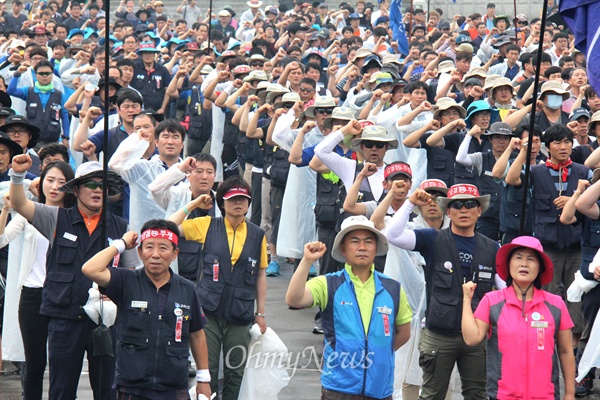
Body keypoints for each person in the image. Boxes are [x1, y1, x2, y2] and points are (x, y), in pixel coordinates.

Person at [8, 157, 140, 400]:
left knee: (107, 390)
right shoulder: (56, 218)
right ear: (76, 189)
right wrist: (17, 175)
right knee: (61, 390)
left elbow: (132, 273)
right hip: (64, 318)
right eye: (90, 185)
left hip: (105, 320)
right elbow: (19, 203)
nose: (97, 190)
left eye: (102, 185)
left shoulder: (120, 226)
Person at [385, 184, 502, 400]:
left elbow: (504, 293)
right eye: (457, 205)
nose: (464, 210)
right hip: (439, 335)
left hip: (476, 337)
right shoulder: (432, 238)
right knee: (432, 395)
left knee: (477, 395)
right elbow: (392, 235)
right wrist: (410, 203)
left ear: (479, 211)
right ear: (448, 212)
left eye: (470, 204)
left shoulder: (492, 247)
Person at [81, 219, 212, 399]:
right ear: (140, 252)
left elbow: (197, 334)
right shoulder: (125, 281)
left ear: (175, 254)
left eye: (163, 248)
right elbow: (90, 269)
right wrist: (121, 244)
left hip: (173, 386)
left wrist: (203, 379)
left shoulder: (187, 289)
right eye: (149, 247)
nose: (155, 255)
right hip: (132, 385)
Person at [285, 215, 412, 399]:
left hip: (380, 388)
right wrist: (307, 261)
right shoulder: (328, 284)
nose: (362, 247)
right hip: (339, 388)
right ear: (343, 248)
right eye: (354, 241)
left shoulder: (393, 288)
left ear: (376, 248)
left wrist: (377, 353)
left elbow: (404, 333)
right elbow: (294, 299)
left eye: (368, 241)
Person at [169, 175, 267, 399]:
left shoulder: (257, 234)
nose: (238, 203)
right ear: (222, 202)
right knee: (207, 371)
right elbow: (169, 226)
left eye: (243, 199)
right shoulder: (206, 225)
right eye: (232, 199)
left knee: (235, 373)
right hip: (207, 312)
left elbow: (261, 274)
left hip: (241, 314)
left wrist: (260, 313)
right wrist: (194, 203)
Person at [461, 236, 576, 400]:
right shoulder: (491, 301)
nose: (524, 264)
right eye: (518, 258)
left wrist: (570, 393)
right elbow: (471, 338)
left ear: (540, 268)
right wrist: (466, 300)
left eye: (531, 259)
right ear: (508, 264)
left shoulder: (556, 305)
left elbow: (565, 351)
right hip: (503, 395)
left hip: (546, 396)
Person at [0, 161, 75, 400]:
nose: (54, 187)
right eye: (49, 180)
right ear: (41, 183)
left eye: (61, 183)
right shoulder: (29, 211)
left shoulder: (73, 217)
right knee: (34, 364)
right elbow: (2, 240)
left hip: (64, 296)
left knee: (63, 363)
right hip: (33, 294)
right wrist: (5, 210)